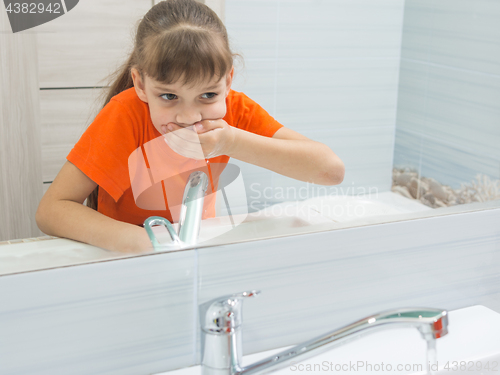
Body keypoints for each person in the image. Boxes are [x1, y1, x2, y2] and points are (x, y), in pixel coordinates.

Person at [36, 0, 344, 253]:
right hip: (130, 255)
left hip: (194, 247)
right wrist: (147, 243)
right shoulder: (127, 114)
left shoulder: (234, 110)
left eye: (208, 95)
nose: (188, 116)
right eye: (169, 96)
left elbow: (330, 171)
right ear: (141, 84)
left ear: (228, 81)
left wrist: (232, 142)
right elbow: (52, 210)